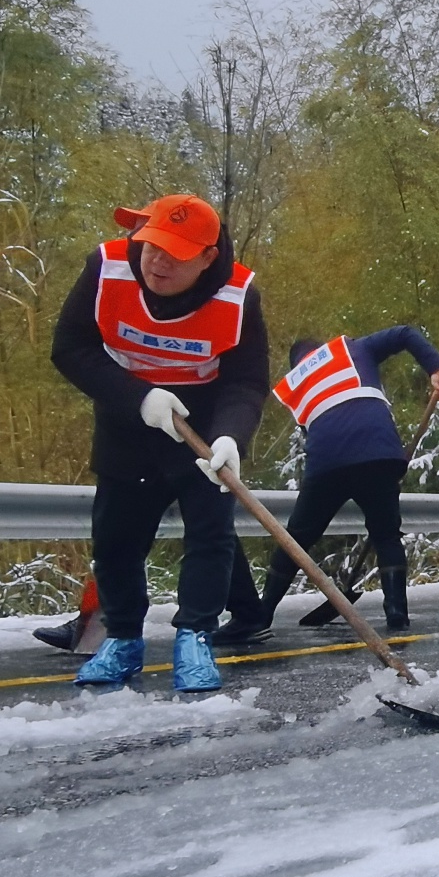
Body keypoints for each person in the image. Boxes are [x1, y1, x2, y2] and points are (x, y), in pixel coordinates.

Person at [50, 194, 269, 692]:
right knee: (116, 542)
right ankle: (123, 638)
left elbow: (247, 381)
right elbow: (70, 347)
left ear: (208, 257)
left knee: (210, 539)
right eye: (150, 245)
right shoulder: (106, 267)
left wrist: (231, 435)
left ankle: (195, 635)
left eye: (175, 252)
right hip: (127, 420)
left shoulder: (239, 296)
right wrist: (138, 396)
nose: (157, 260)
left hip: (203, 427)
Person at [221, 327, 439, 639]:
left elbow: (314, 430)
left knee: (296, 539)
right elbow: (405, 334)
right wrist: (435, 368)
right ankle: (397, 614)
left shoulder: (297, 380)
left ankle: (262, 614)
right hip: (378, 449)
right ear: (321, 347)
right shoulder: (351, 348)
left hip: (329, 460)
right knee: (386, 534)